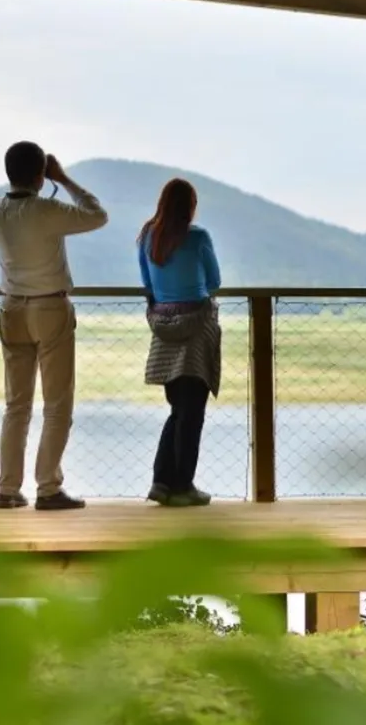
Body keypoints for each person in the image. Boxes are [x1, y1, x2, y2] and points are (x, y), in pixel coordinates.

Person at [0, 141, 108, 510]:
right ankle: (48, 488)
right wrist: (65, 179)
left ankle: (8, 490)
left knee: (16, 406)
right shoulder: (47, 210)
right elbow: (96, 215)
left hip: (11, 309)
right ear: (41, 175)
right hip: (49, 310)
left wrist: (46, 176)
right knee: (56, 405)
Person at [137, 178, 221, 507]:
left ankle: (161, 482)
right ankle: (183, 486)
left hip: (163, 328)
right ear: (190, 206)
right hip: (197, 329)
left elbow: (147, 284)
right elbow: (214, 281)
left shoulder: (147, 236)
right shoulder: (198, 237)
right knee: (192, 413)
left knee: (178, 410)